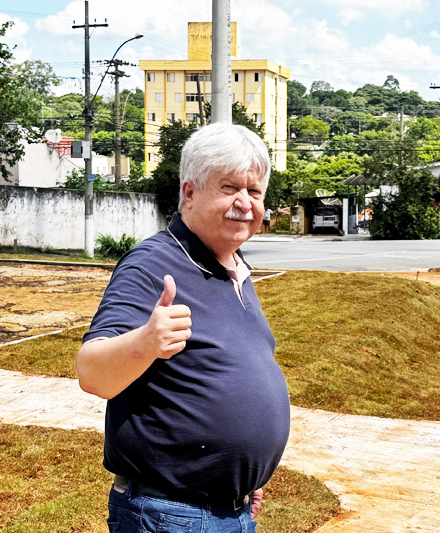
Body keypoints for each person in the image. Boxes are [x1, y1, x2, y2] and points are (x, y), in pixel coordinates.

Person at [76, 122, 290, 533]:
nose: (244, 203)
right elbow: (91, 373)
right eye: (229, 188)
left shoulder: (235, 267)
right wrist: (146, 341)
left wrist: (244, 480)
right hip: (171, 515)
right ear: (189, 193)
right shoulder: (152, 265)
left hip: (230, 511)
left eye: (255, 191)